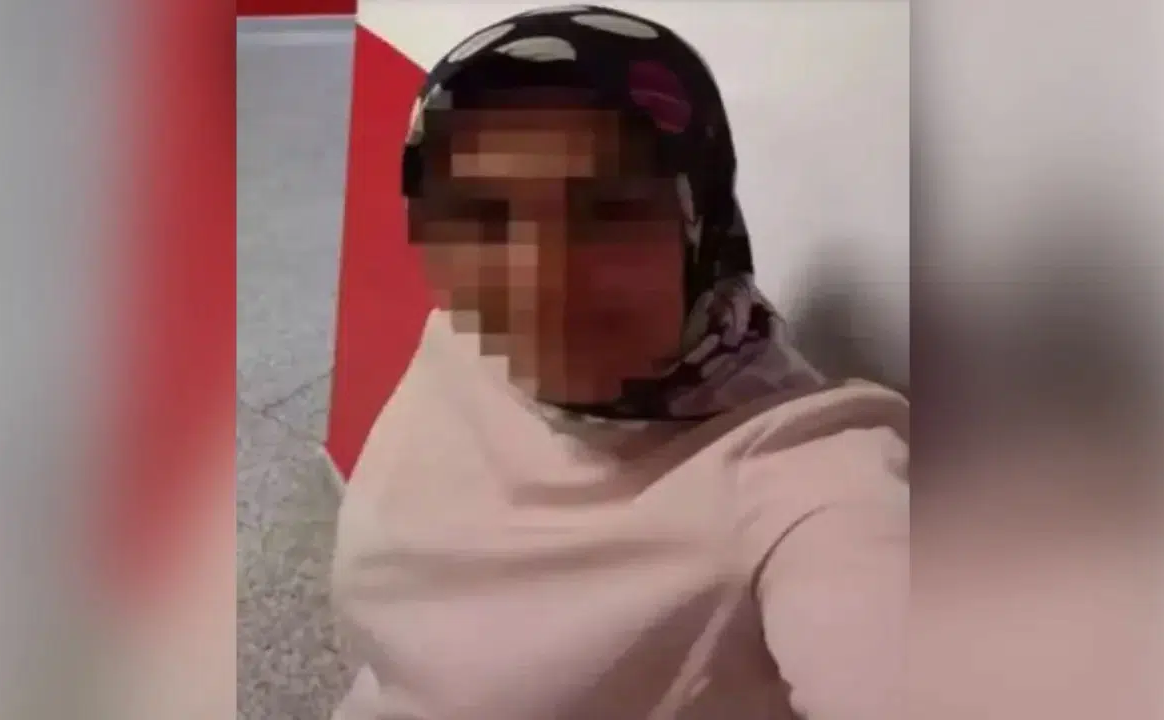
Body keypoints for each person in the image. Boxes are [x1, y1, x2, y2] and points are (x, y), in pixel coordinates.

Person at [332, 6, 908, 719]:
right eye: (483, 215)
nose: (538, 282)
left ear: (697, 223)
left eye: (608, 211)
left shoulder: (801, 477)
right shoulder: (462, 340)